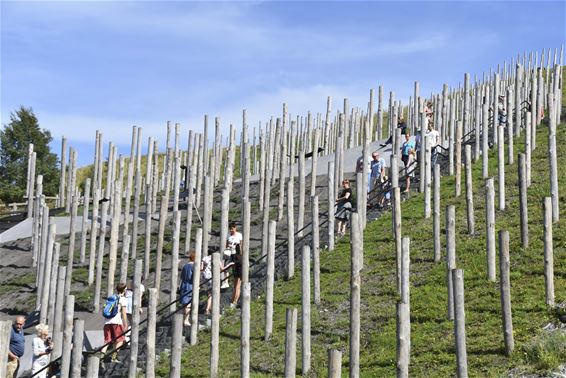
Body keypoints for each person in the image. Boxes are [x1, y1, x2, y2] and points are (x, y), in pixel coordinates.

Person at [102, 283, 128, 362]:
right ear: (124, 290)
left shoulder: (111, 298)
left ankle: (101, 356)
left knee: (107, 341)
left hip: (107, 322)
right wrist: (125, 324)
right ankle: (114, 357)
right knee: (121, 340)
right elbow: (123, 313)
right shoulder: (122, 299)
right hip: (116, 322)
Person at [224, 223, 243, 309]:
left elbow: (241, 246)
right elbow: (226, 246)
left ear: (235, 228)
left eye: (232, 229)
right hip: (231, 255)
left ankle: (235, 300)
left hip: (238, 257)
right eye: (230, 229)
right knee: (235, 282)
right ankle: (233, 299)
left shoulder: (239, 235)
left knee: (238, 282)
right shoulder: (228, 236)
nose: (231, 230)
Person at [179, 252, 195, 326]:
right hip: (190, 286)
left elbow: (181, 277)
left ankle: (185, 319)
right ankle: (186, 320)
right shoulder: (193, 266)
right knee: (188, 305)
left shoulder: (185, 266)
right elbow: (194, 277)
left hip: (184, 285)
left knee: (185, 304)